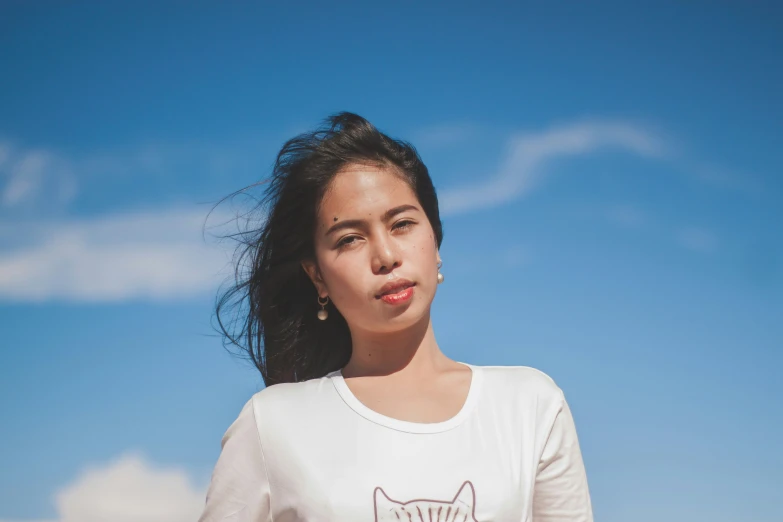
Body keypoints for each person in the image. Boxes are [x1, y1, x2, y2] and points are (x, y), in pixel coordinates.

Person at [198, 112, 593, 521]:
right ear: (317, 275)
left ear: (434, 241)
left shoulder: (530, 406)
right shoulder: (271, 424)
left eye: (402, 224)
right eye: (349, 239)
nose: (386, 257)